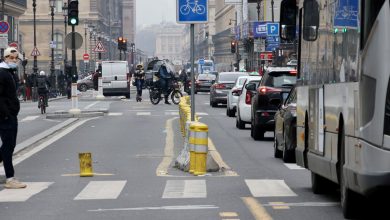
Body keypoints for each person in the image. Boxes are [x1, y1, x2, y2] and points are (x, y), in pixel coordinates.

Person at [0, 47, 27, 188]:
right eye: (11, 58)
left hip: (11, 114)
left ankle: (10, 177)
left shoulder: (11, 72)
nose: (14, 60)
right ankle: (10, 178)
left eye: (16, 58)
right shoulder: (2, 73)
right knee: (8, 146)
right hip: (5, 116)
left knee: (9, 146)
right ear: (5, 58)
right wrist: (5, 114)